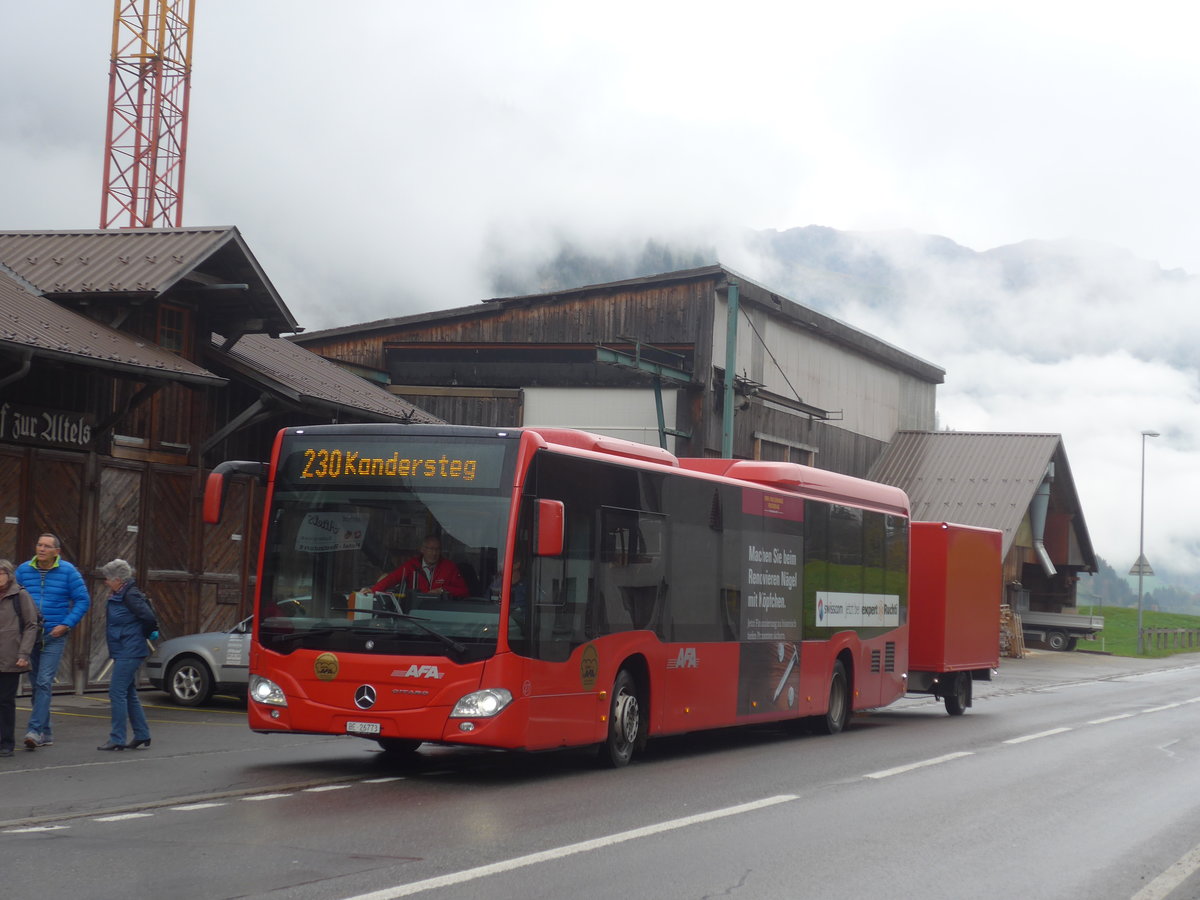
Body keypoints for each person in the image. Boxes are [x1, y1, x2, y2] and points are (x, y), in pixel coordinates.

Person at [16, 533, 90, 749]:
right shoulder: (23, 570)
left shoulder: (68, 572)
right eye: (39, 544)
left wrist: (66, 624)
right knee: (36, 684)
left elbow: (82, 600)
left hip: (54, 635)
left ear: (57, 552)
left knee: (44, 682)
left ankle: (35, 730)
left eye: (47, 546)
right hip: (29, 636)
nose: (41, 549)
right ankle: (45, 732)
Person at [97, 559, 157, 751]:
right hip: (124, 648)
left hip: (130, 649)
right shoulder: (120, 593)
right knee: (128, 693)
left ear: (117, 579)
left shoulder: (130, 595)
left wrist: (147, 633)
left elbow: (148, 617)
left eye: (108, 578)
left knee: (116, 692)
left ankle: (117, 738)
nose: (105, 581)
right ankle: (142, 734)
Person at [0, 559, 39, 758]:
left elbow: (31, 625)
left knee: (5, 701)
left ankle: (6, 743)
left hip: (11, 657)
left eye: (0, 573)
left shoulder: (20, 595)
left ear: (9, 575)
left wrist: (23, 653)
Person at [371, 535, 468, 597]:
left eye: (437, 549)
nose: (434, 553)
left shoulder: (449, 567)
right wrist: (372, 591)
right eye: (431, 549)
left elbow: (464, 591)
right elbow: (391, 579)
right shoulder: (411, 565)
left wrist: (443, 590)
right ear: (422, 549)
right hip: (416, 612)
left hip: (441, 611)